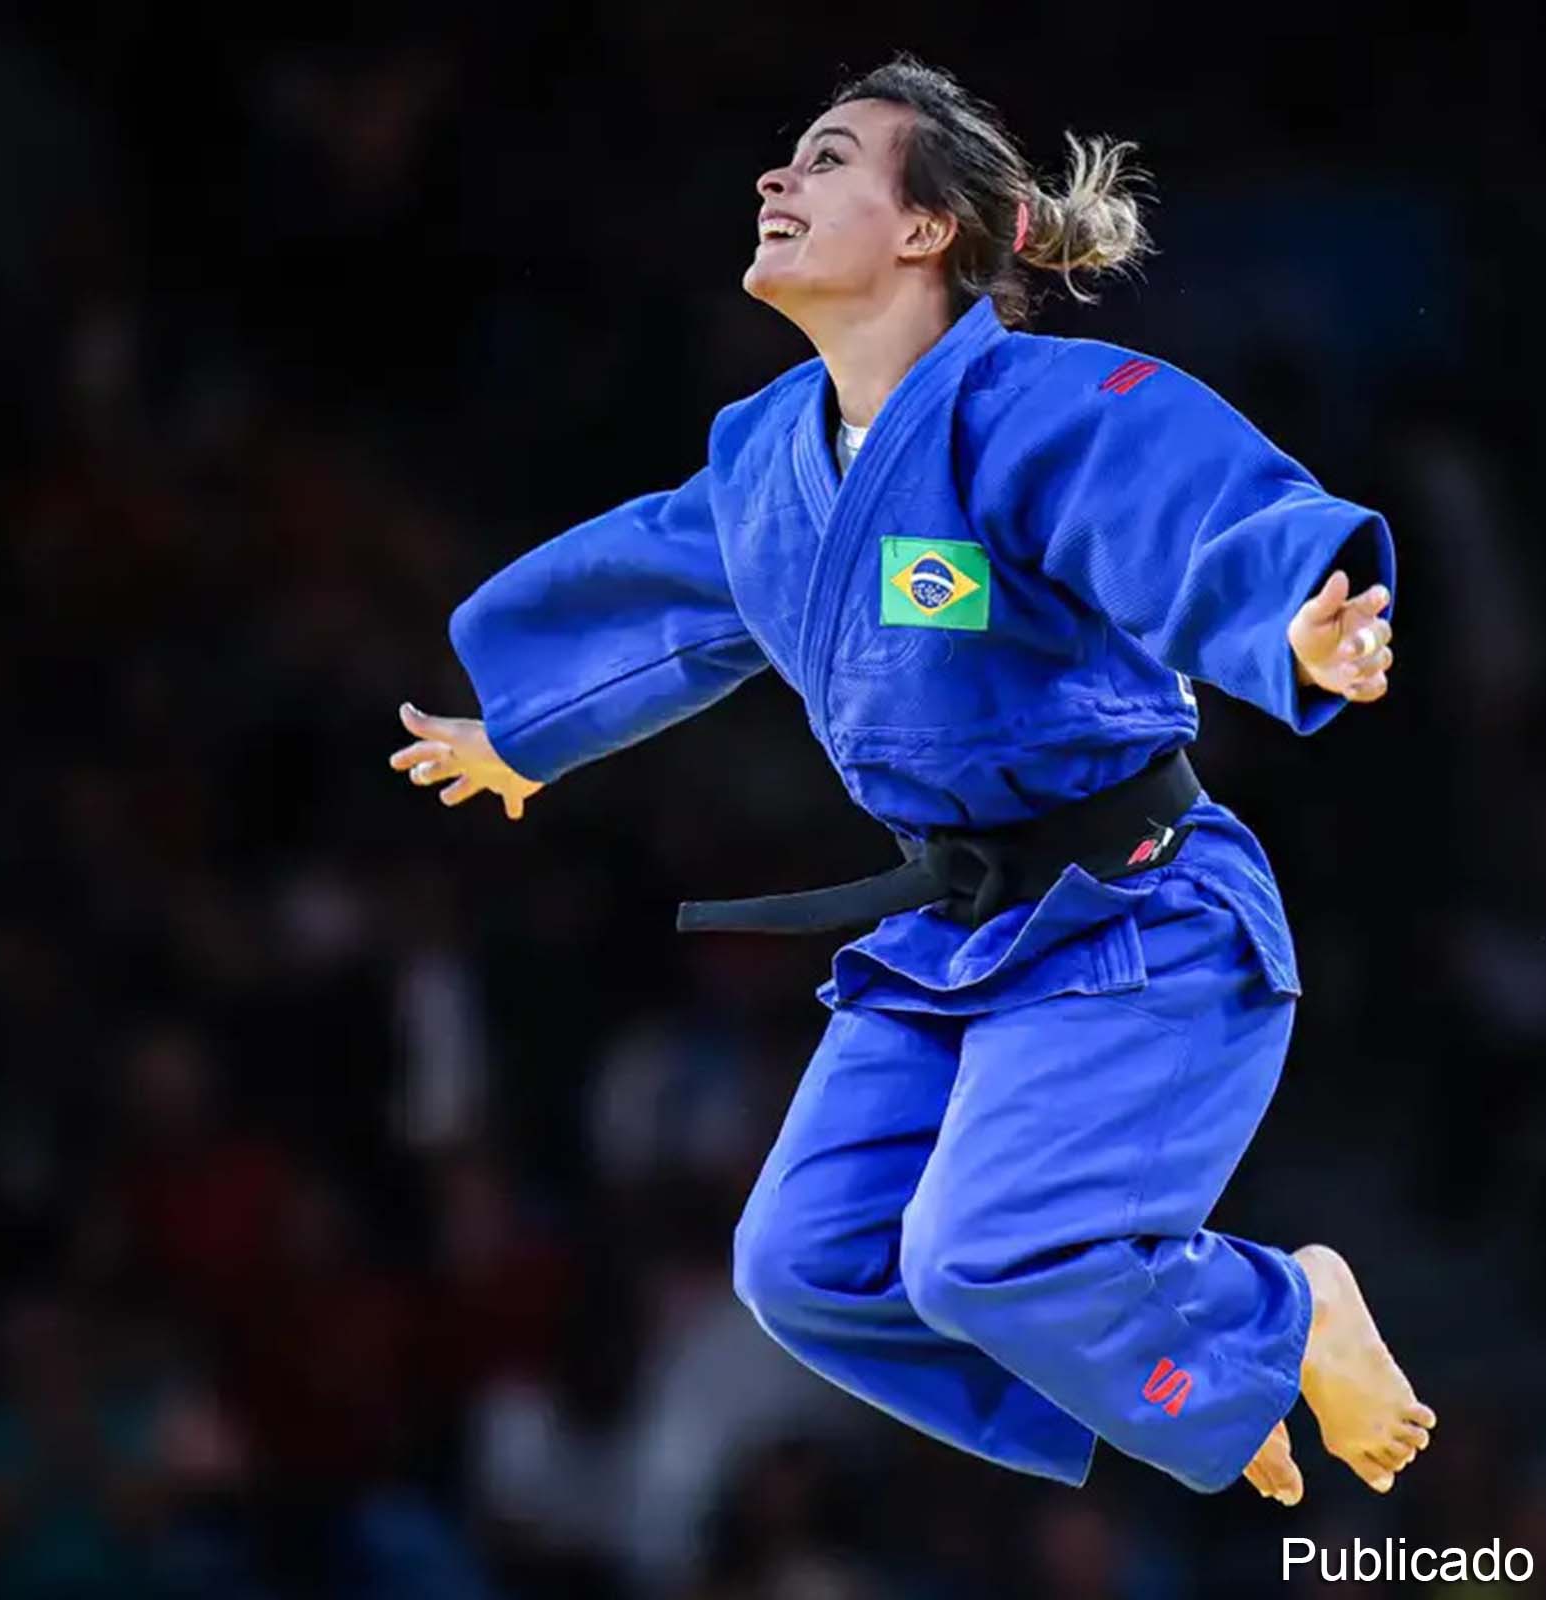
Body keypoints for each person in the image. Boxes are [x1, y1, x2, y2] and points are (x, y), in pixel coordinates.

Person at [390, 56, 1432, 1506]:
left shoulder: (1033, 407)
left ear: (926, 229)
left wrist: (1292, 619)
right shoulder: (767, 460)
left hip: (1137, 916)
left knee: (974, 1253)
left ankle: (1274, 1319)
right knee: (803, 1267)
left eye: (824, 159)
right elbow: (672, 590)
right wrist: (525, 726)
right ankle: (1174, 1377)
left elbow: (1169, 496)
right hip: (959, 937)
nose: (775, 180)